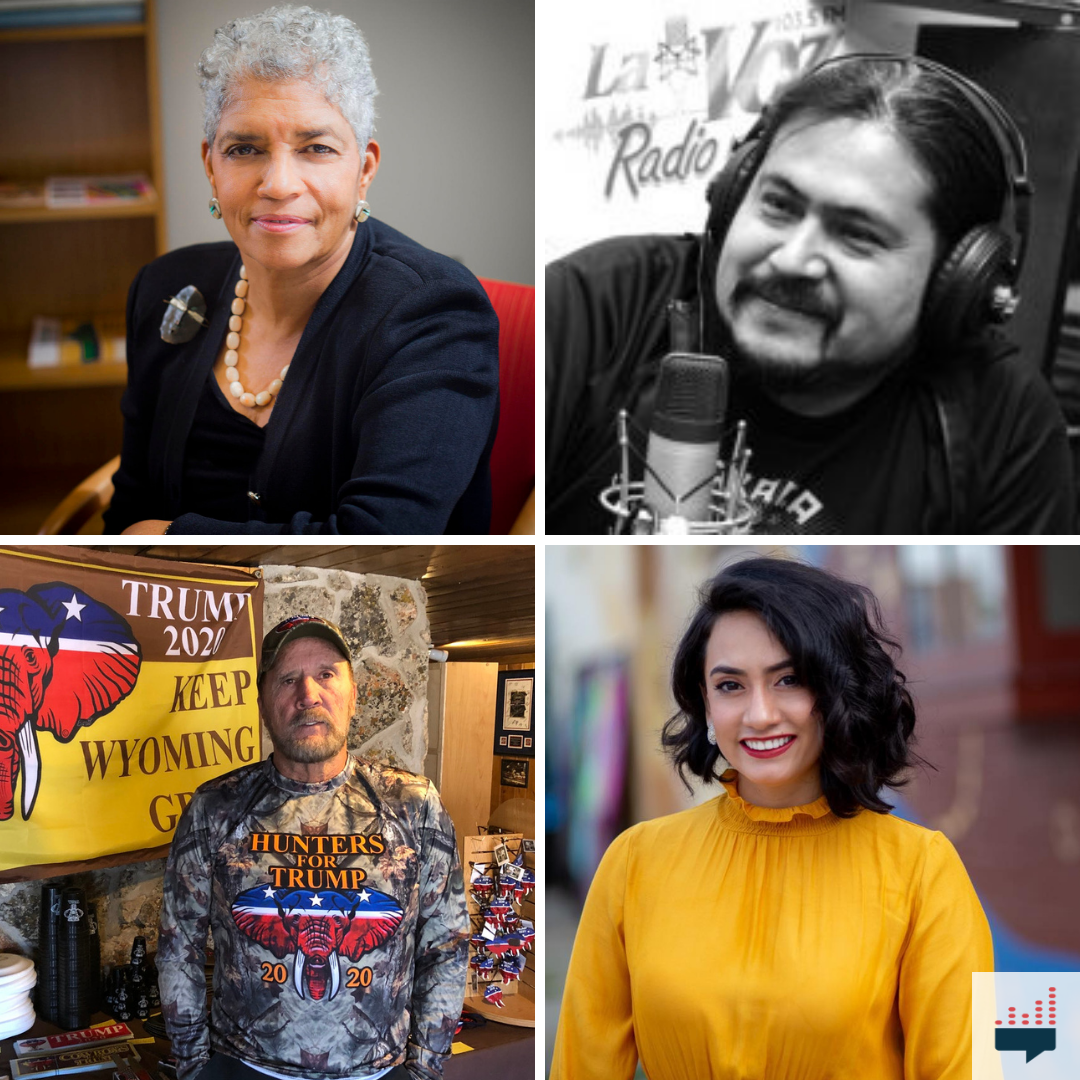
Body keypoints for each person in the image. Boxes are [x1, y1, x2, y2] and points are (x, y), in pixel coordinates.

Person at [546, 53, 1075, 534]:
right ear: (731, 197)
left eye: (857, 235)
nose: (792, 260)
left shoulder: (1003, 424)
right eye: (779, 205)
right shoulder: (600, 305)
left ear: (955, 281)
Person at [550, 557, 996, 1080]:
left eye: (789, 680)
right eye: (730, 685)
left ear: (838, 690)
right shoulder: (635, 862)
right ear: (705, 703)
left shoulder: (922, 871)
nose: (760, 714)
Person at [105, 4, 498, 535]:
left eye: (316, 148)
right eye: (245, 149)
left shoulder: (435, 314)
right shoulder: (165, 286)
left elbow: (381, 548)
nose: (279, 184)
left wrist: (170, 539)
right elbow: (130, 507)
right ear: (211, 167)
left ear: (363, 170)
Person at [158, 614, 468, 1080]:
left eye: (326, 674)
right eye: (288, 679)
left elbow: (447, 945)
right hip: (244, 1067)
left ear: (353, 693)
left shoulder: (414, 805)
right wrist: (194, 1068)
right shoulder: (215, 808)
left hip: (378, 1071)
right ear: (263, 703)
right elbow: (177, 943)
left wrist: (424, 1068)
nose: (308, 695)